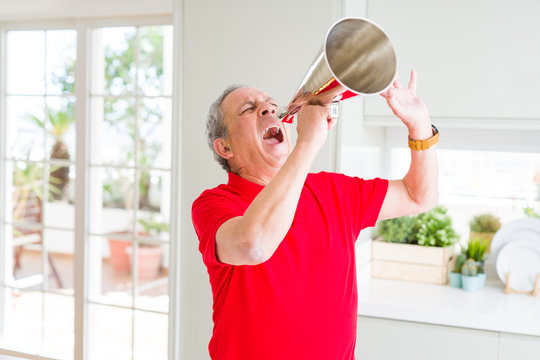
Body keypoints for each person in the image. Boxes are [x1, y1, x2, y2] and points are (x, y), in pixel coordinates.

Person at [192, 70, 438, 360]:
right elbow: (253, 245)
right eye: (249, 109)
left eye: (271, 104)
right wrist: (307, 143)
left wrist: (419, 125)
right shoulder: (214, 204)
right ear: (225, 147)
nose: (269, 108)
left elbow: (418, 196)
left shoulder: (334, 191)